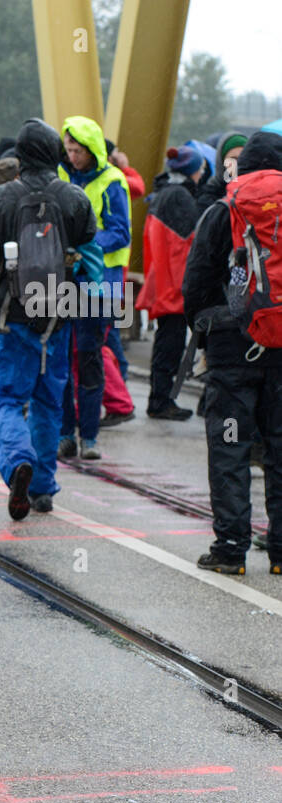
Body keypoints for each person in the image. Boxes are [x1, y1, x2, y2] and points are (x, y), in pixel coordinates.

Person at [0, 119, 95, 518]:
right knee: (49, 402)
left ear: (21, 154)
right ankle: (44, 488)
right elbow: (88, 239)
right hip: (59, 313)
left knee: (6, 399)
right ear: (55, 154)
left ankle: (18, 463)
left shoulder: (0, 198)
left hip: (10, 316)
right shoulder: (74, 197)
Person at [182, 130, 282, 575]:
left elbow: (196, 282)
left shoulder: (223, 211)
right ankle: (280, 553)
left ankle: (230, 550)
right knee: (280, 447)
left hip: (230, 346)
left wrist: (206, 330)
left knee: (229, 445)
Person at [58, 115, 131, 461]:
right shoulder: (60, 175)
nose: (72, 157)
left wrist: (83, 243)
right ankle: (64, 434)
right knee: (59, 358)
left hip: (99, 285)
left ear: (93, 151)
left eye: (78, 151)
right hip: (62, 280)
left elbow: (121, 232)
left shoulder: (113, 181)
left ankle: (89, 437)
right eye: (68, 150)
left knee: (89, 359)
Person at [135, 145, 205, 420]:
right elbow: (189, 247)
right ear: (192, 171)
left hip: (161, 282)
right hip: (174, 287)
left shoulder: (162, 194)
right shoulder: (181, 198)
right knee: (170, 346)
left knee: (165, 344)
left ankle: (160, 398)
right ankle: (160, 401)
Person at [197, 132, 249, 215]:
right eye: (233, 159)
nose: (237, 164)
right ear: (222, 162)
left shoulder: (255, 194)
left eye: (242, 158)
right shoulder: (209, 196)